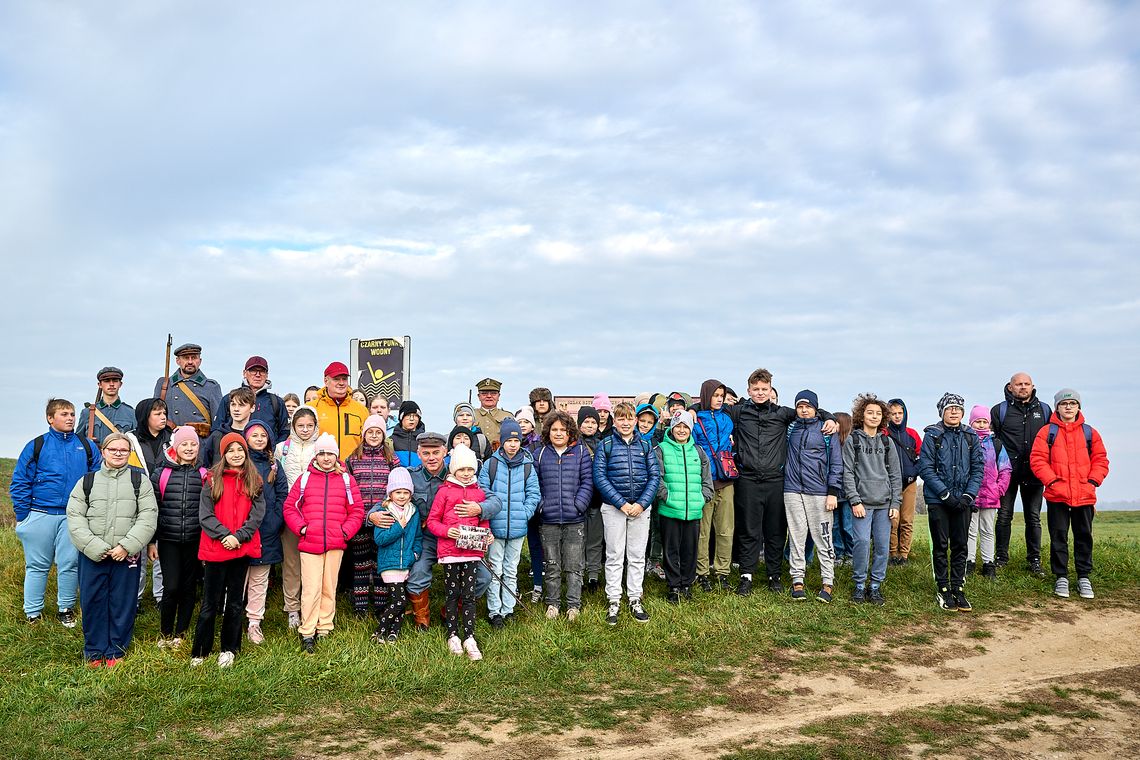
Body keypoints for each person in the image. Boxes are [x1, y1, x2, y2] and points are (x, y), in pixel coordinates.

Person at [725, 369, 836, 596]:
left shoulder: (783, 414)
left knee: (775, 530)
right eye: (755, 389)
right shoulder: (739, 412)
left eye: (764, 389)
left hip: (776, 481)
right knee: (749, 529)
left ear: (771, 390)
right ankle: (747, 575)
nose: (760, 393)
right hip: (748, 480)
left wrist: (830, 417)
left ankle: (774, 575)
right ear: (749, 390)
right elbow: (712, 408)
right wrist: (695, 410)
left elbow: (808, 412)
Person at [66, 432, 158, 666]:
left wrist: (127, 546)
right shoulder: (87, 481)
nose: (118, 453)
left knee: (122, 602)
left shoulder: (140, 481)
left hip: (126, 555)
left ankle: (116, 650)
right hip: (92, 555)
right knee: (93, 601)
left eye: (123, 450)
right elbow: (75, 517)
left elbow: (148, 516)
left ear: (129, 453)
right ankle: (95, 650)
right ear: (104, 452)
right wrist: (95, 547)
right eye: (113, 449)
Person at [10, 398, 102, 625]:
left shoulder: (87, 445)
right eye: (64, 414)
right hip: (39, 513)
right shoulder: (37, 445)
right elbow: (20, 481)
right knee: (37, 565)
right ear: (50, 418)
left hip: (73, 515)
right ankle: (32, 612)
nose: (70, 418)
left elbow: (97, 478)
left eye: (71, 414)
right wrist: (24, 517)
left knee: (69, 564)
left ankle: (66, 609)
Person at [282, 433, 364, 652]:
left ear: (336, 456)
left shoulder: (346, 479)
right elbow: (290, 507)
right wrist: (302, 528)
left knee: (329, 586)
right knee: (311, 588)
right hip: (310, 542)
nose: (326, 458)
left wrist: (345, 532)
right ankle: (307, 631)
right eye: (322, 453)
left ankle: (325, 626)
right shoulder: (305, 479)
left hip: (336, 542)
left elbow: (356, 510)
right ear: (316, 455)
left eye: (330, 454)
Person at [191, 433, 266, 668]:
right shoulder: (213, 480)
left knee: (234, 601)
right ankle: (201, 650)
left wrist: (239, 537)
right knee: (210, 602)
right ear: (223, 454)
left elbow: (257, 514)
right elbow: (205, 515)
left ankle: (229, 648)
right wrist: (225, 535)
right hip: (217, 547)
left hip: (240, 548)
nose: (236, 454)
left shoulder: (254, 480)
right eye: (231, 450)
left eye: (240, 450)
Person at [1030, 389, 1110, 600]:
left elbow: (1101, 460)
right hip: (1057, 495)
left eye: (1072, 403)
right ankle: (1061, 577)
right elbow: (1038, 460)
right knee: (1059, 537)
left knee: (1084, 537)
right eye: (1064, 404)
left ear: (1078, 407)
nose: (1068, 407)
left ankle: (1084, 577)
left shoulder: (1089, 433)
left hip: (1084, 495)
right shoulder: (1047, 432)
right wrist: (1053, 481)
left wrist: (1092, 481)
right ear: (1056, 407)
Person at [593, 402, 661, 625]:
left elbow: (654, 476)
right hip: (614, 509)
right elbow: (600, 478)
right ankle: (614, 599)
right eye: (621, 418)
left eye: (629, 418)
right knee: (614, 554)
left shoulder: (645, 445)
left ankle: (635, 598)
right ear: (615, 420)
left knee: (637, 555)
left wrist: (641, 503)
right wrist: (621, 503)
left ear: (635, 420)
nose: (625, 422)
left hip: (641, 509)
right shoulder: (607, 445)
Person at [918, 393, 985, 613]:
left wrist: (968, 495)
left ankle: (958, 586)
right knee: (941, 545)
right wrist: (945, 494)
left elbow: (978, 468)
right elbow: (925, 468)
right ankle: (943, 588)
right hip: (939, 500)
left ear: (963, 412)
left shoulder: (970, 436)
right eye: (949, 408)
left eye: (957, 408)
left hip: (963, 500)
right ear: (942, 412)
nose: (954, 411)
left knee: (960, 545)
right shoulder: (932, 435)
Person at [426, 444, 488, 660]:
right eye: (462, 470)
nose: (466, 474)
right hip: (450, 552)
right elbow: (432, 522)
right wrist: (447, 531)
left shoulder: (479, 493)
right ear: (453, 470)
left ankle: (470, 636)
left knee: (468, 596)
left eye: (470, 470)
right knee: (452, 594)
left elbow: (484, 521)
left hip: (471, 553)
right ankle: (452, 634)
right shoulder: (444, 492)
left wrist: (486, 535)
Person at [478, 419, 540, 627]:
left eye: (516, 440)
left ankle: (509, 608)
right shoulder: (491, 465)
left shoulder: (527, 465)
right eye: (509, 440)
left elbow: (533, 493)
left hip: (518, 526)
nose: (513, 444)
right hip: (495, 525)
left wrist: (525, 513)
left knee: (511, 568)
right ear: (502, 441)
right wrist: (491, 513)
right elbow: (483, 491)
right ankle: (494, 611)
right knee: (496, 569)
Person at [532, 411, 593, 620]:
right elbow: (535, 484)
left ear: (570, 432)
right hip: (548, 519)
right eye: (554, 430)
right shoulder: (539, 454)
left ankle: (573, 605)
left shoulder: (581, 453)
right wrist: (541, 506)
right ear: (548, 432)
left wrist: (579, 505)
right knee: (552, 564)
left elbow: (587, 481)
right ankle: (553, 603)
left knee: (574, 565)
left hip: (574, 518)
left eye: (563, 430)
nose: (558, 434)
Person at [991, 373, 1053, 577]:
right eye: (1018, 384)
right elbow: (994, 442)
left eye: (1026, 384)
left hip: (1035, 473)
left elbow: (1050, 440)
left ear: (1033, 386)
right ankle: (1001, 558)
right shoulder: (999, 411)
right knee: (1004, 516)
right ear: (1010, 387)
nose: (1023, 387)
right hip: (1007, 474)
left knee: (1033, 517)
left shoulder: (1044, 410)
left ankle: (1034, 560)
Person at [842, 394, 902, 606]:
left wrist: (896, 503)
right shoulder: (853, 440)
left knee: (883, 546)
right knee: (861, 543)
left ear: (883, 417)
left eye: (878, 413)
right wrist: (855, 500)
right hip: (862, 504)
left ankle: (875, 585)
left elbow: (895, 474)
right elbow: (847, 473)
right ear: (862, 415)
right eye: (870, 412)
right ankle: (859, 584)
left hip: (885, 504)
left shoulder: (887, 443)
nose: (874, 416)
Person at [150, 425, 206, 649]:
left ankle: (180, 633)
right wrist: (151, 541)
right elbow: (152, 509)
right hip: (168, 539)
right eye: (184, 444)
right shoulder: (161, 473)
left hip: (195, 538)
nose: (189, 448)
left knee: (188, 587)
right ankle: (165, 632)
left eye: (193, 444)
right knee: (171, 586)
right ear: (175, 446)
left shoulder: (204, 474)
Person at [783, 391, 842, 603]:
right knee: (796, 537)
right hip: (792, 489)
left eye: (808, 406)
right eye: (800, 406)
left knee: (823, 537)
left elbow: (836, 463)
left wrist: (833, 492)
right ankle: (797, 580)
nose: (804, 410)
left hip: (819, 491)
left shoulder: (827, 430)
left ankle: (828, 582)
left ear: (815, 408)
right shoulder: (791, 428)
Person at [654, 410, 714, 604]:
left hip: (693, 510)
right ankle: (673, 585)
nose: (681, 430)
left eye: (685, 427)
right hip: (670, 509)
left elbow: (707, 479)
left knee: (690, 549)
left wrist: (701, 498)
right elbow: (658, 478)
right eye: (678, 426)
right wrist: (667, 497)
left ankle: (686, 583)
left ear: (690, 429)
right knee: (671, 549)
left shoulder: (698, 451)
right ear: (672, 428)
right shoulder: (661, 449)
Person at [344, 415, 399, 619]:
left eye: (378, 432)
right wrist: (362, 515)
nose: (374, 435)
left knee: (379, 563)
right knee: (360, 563)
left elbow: (396, 487)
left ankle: (380, 604)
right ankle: (359, 605)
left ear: (383, 435)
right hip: (360, 519)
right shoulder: (353, 458)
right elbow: (348, 489)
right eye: (370, 432)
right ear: (363, 434)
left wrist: (385, 511)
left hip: (383, 519)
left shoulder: (391, 458)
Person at [242, 421, 288, 645]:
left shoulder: (274, 466)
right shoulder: (239, 461)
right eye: (254, 435)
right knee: (238, 578)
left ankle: (254, 622)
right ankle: (232, 617)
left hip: (267, 529)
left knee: (259, 579)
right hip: (241, 531)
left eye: (263, 436)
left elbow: (282, 494)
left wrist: (275, 520)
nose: (259, 439)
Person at [274, 405, 319, 628]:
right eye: (300, 425)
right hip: (290, 512)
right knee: (291, 562)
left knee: (312, 563)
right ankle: (292, 607)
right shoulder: (282, 448)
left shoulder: (322, 448)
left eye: (309, 425)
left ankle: (312, 605)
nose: (305, 429)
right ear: (293, 426)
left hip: (315, 512)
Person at [692, 379, 736, 592]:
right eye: (715, 395)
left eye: (721, 395)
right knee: (703, 530)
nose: (718, 399)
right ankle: (701, 572)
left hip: (726, 480)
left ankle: (722, 571)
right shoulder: (695, 419)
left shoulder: (728, 419)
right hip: (704, 481)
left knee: (726, 529)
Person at [128, 397, 171, 609]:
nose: (163, 417)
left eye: (164, 413)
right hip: (137, 504)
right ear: (146, 417)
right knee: (137, 552)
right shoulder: (130, 441)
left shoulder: (172, 440)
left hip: (165, 503)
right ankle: (134, 598)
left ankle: (160, 597)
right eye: (157, 414)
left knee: (161, 551)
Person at [371, 467, 420, 642]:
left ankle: (393, 633)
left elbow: (417, 538)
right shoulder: (385, 512)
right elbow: (380, 539)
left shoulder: (413, 512)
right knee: (399, 600)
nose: (402, 496)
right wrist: (399, 527)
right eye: (398, 492)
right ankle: (379, 631)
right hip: (389, 563)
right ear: (390, 493)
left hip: (405, 562)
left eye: (406, 492)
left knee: (398, 599)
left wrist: (415, 554)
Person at [966, 406, 1011, 580]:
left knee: (987, 530)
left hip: (991, 496)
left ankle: (988, 562)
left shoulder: (996, 444)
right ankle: (969, 561)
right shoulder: (967, 441)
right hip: (970, 495)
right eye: (978, 421)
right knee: (970, 530)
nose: (981, 424)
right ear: (971, 422)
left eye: (985, 421)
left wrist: (999, 489)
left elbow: (1006, 468)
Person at [214, 356, 289, 444]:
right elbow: (217, 429)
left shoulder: (277, 402)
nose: (257, 374)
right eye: (253, 370)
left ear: (267, 375)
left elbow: (285, 432)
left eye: (262, 371)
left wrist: (273, 450)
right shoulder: (229, 399)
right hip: (235, 454)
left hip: (265, 456)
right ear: (244, 373)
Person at [152, 343, 223, 430]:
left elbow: (219, 423)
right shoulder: (164, 384)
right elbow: (155, 418)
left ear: (200, 361)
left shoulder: (211, 387)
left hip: (200, 441)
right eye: (186, 358)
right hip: (171, 440)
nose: (190, 362)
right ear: (178, 361)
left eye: (194, 358)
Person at [885, 399, 922, 566]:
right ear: (888, 415)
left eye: (900, 413)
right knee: (893, 521)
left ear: (905, 414)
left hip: (910, 483)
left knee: (907, 520)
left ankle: (904, 555)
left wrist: (914, 473)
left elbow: (922, 457)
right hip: (890, 485)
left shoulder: (912, 434)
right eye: (893, 413)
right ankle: (892, 553)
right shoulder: (883, 434)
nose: (897, 416)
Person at [310, 361, 369, 459]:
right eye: (336, 379)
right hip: (321, 469)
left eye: (344, 379)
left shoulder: (361, 410)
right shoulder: (312, 408)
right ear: (326, 381)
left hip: (352, 469)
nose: (341, 383)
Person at [576, 406, 605, 591]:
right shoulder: (574, 444)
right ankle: (577, 573)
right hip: (578, 500)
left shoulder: (603, 444)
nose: (590, 425)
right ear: (579, 424)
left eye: (593, 422)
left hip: (598, 500)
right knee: (578, 541)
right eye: (586, 421)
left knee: (595, 539)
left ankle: (593, 575)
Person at [77, 366, 136, 445]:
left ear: (120, 384)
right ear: (100, 384)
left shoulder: (131, 413)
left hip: (120, 456)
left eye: (115, 381)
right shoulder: (87, 412)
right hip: (95, 457)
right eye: (106, 381)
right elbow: (78, 441)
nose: (111, 384)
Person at [201, 387, 257, 468]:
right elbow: (206, 465)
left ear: (252, 408)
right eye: (233, 404)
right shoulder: (217, 436)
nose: (236, 409)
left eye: (241, 405)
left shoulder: (257, 437)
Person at [831, 413, 855, 567]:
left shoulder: (850, 445)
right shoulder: (830, 443)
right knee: (834, 526)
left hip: (847, 493)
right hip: (833, 493)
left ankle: (851, 553)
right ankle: (838, 553)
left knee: (847, 525)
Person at [473, 378, 511, 447]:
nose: (489, 396)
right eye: (484, 393)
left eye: (493, 393)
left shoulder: (508, 416)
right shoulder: (471, 415)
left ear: (498, 396)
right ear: (479, 396)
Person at [391, 401, 425, 468]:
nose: (411, 419)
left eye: (415, 416)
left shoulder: (424, 440)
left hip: (420, 477)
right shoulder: (391, 441)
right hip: (398, 476)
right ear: (401, 418)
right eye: (408, 415)